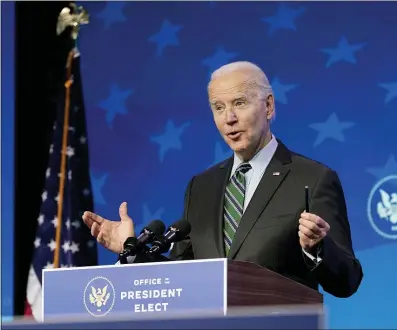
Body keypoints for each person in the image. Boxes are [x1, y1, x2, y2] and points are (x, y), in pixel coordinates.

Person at [82, 61, 363, 298]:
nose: (229, 118)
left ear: (268, 106)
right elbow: (179, 279)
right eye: (218, 107)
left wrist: (316, 248)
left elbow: (348, 280)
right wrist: (130, 249)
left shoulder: (312, 179)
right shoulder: (201, 187)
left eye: (239, 103)